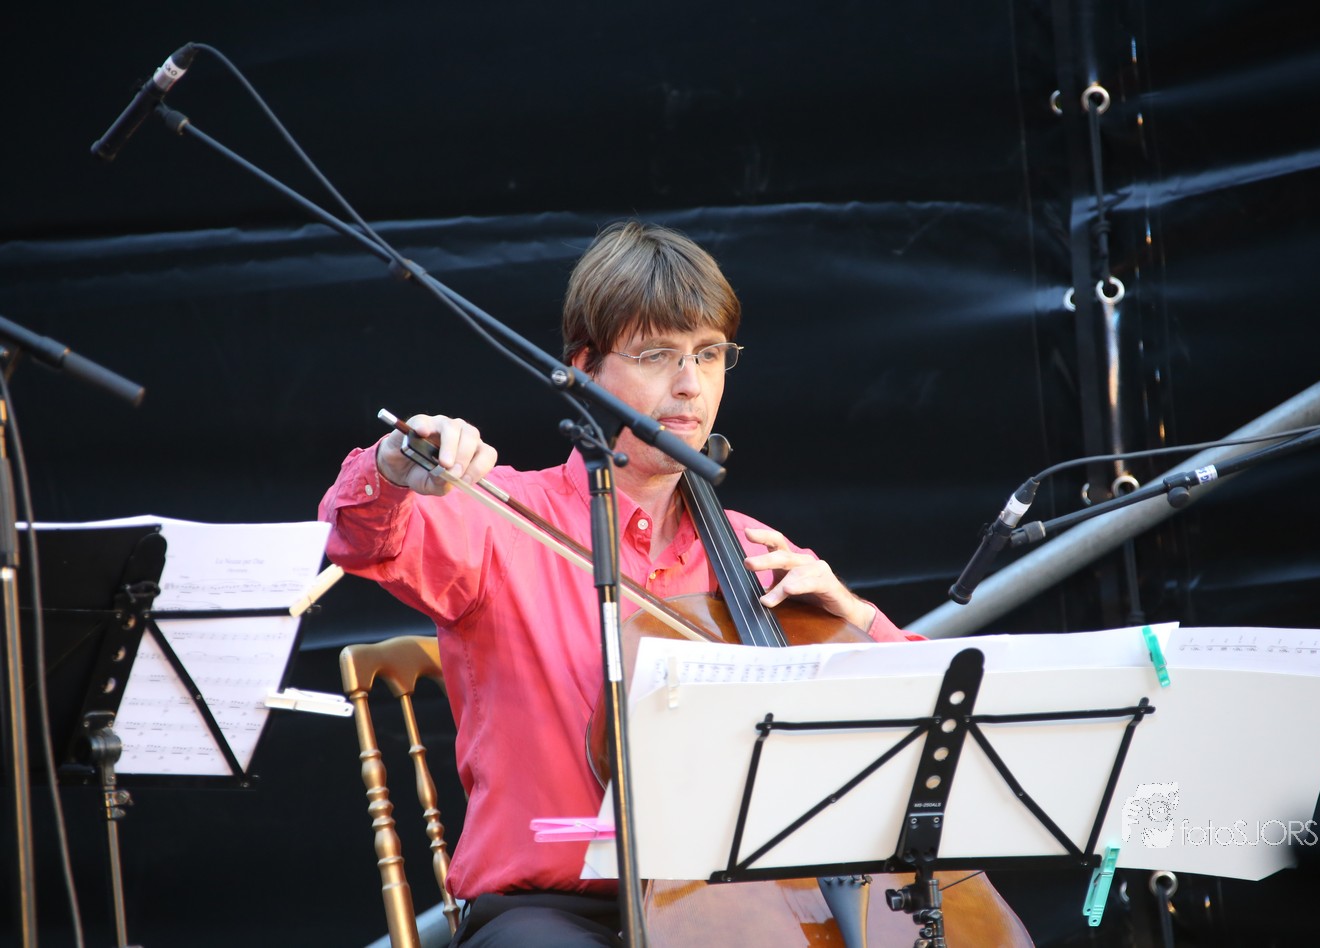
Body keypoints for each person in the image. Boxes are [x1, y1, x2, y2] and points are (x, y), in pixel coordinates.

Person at [320, 221, 1027, 947]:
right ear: (585, 368)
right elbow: (360, 535)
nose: (690, 384)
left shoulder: (754, 551)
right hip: (553, 911)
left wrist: (854, 617)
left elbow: (929, 721)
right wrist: (397, 462)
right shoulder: (501, 517)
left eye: (709, 354)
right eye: (657, 354)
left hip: (735, 908)